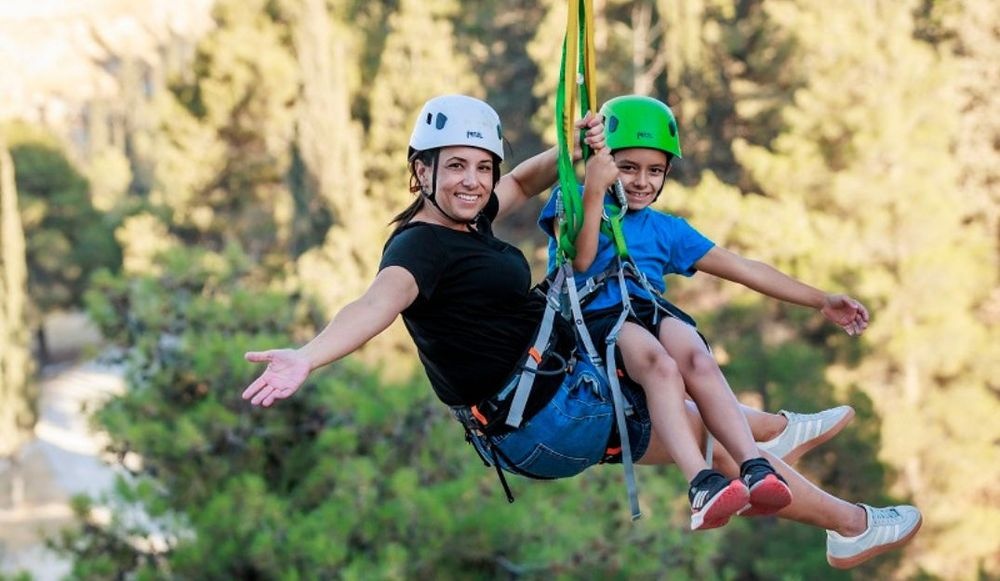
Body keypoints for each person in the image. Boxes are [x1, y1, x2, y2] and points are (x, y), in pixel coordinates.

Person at [241, 94, 921, 569]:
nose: (475, 181)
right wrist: (308, 354)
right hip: (548, 415)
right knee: (710, 441)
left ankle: (787, 444)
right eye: (455, 167)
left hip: (558, 388)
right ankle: (839, 510)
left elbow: (528, 177)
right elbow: (371, 306)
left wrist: (582, 142)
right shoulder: (417, 251)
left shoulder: (470, 218)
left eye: (480, 166)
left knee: (705, 422)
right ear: (420, 171)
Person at [538, 94, 919, 565]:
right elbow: (579, 257)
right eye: (628, 167)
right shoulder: (571, 200)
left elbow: (743, 268)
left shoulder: (666, 230)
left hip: (646, 311)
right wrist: (594, 188)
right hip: (593, 326)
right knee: (658, 363)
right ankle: (701, 481)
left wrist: (820, 299)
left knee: (692, 350)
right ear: (606, 161)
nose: (640, 181)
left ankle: (754, 464)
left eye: (654, 171)